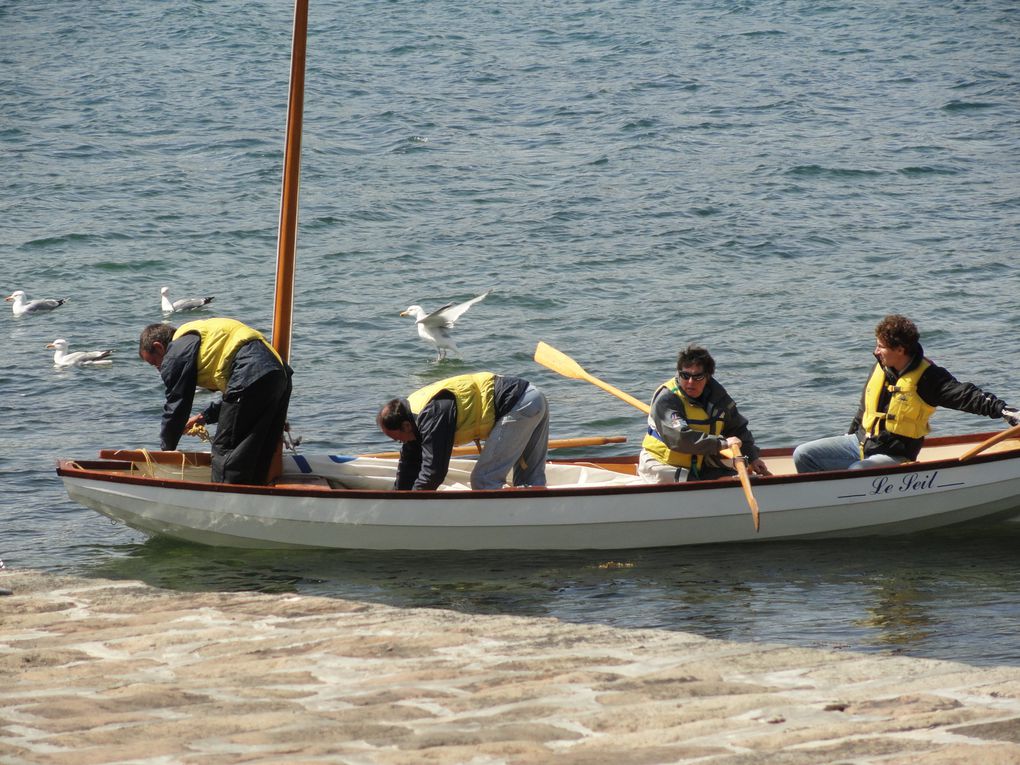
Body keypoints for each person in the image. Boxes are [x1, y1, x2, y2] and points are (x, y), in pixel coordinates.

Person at [793, 314, 1020, 473]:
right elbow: (865, 410)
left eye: (881, 346)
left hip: (894, 454)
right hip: (859, 443)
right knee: (804, 454)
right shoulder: (880, 368)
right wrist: (850, 433)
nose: (876, 351)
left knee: (857, 471)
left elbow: (967, 395)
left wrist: (1005, 411)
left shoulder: (929, 377)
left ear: (900, 350)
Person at [138, 318, 293, 485]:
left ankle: (226, 499)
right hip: (279, 375)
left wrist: (165, 451)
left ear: (159, 347)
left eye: (155, 363)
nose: (159, 369)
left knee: (224, 450)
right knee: (259, 448)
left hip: (251, 372)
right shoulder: (197, 338)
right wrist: (204, 417)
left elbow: (177, 405)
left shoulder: (176, 351)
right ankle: (257, 494)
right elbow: (239, 397)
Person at [377, 371, 549, 491]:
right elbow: (410, 462)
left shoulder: (432, 414)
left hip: (518, 405)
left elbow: (434, 471)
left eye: (400, 440)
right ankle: (539, 513)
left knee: (484, 481)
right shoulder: (412, 414)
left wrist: (411, 505)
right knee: (530, 479)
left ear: (406, 426)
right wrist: (399, 496)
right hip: (532, 396)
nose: (403, 444)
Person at [639, 345, 770, 483]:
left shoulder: (718, 398)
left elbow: (737, 428)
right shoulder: (667, 399)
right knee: (699, 482)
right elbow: (680, 438)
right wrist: (722, 444)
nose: (690, 382)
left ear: (707, 376)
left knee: (738, 478)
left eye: (697, 377)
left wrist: (753, 456)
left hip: (699, 463)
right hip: (661, 465)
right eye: (685, 375)